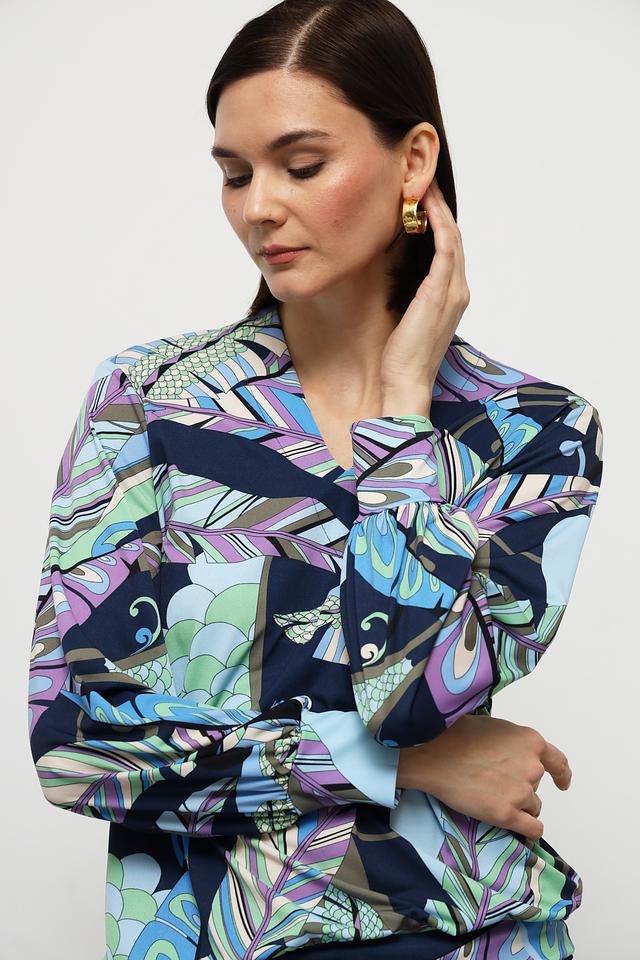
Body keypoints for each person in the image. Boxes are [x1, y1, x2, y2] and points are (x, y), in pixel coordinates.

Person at [27, 1, 603, 958]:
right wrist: (402, 769)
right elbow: (77, 750)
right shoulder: (148, 403)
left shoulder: (533, 432)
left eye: (300, 166)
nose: (259, 207)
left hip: (478, 934)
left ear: (413, 162)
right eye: (234, 174)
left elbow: (410, 696)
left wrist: (404, 409)